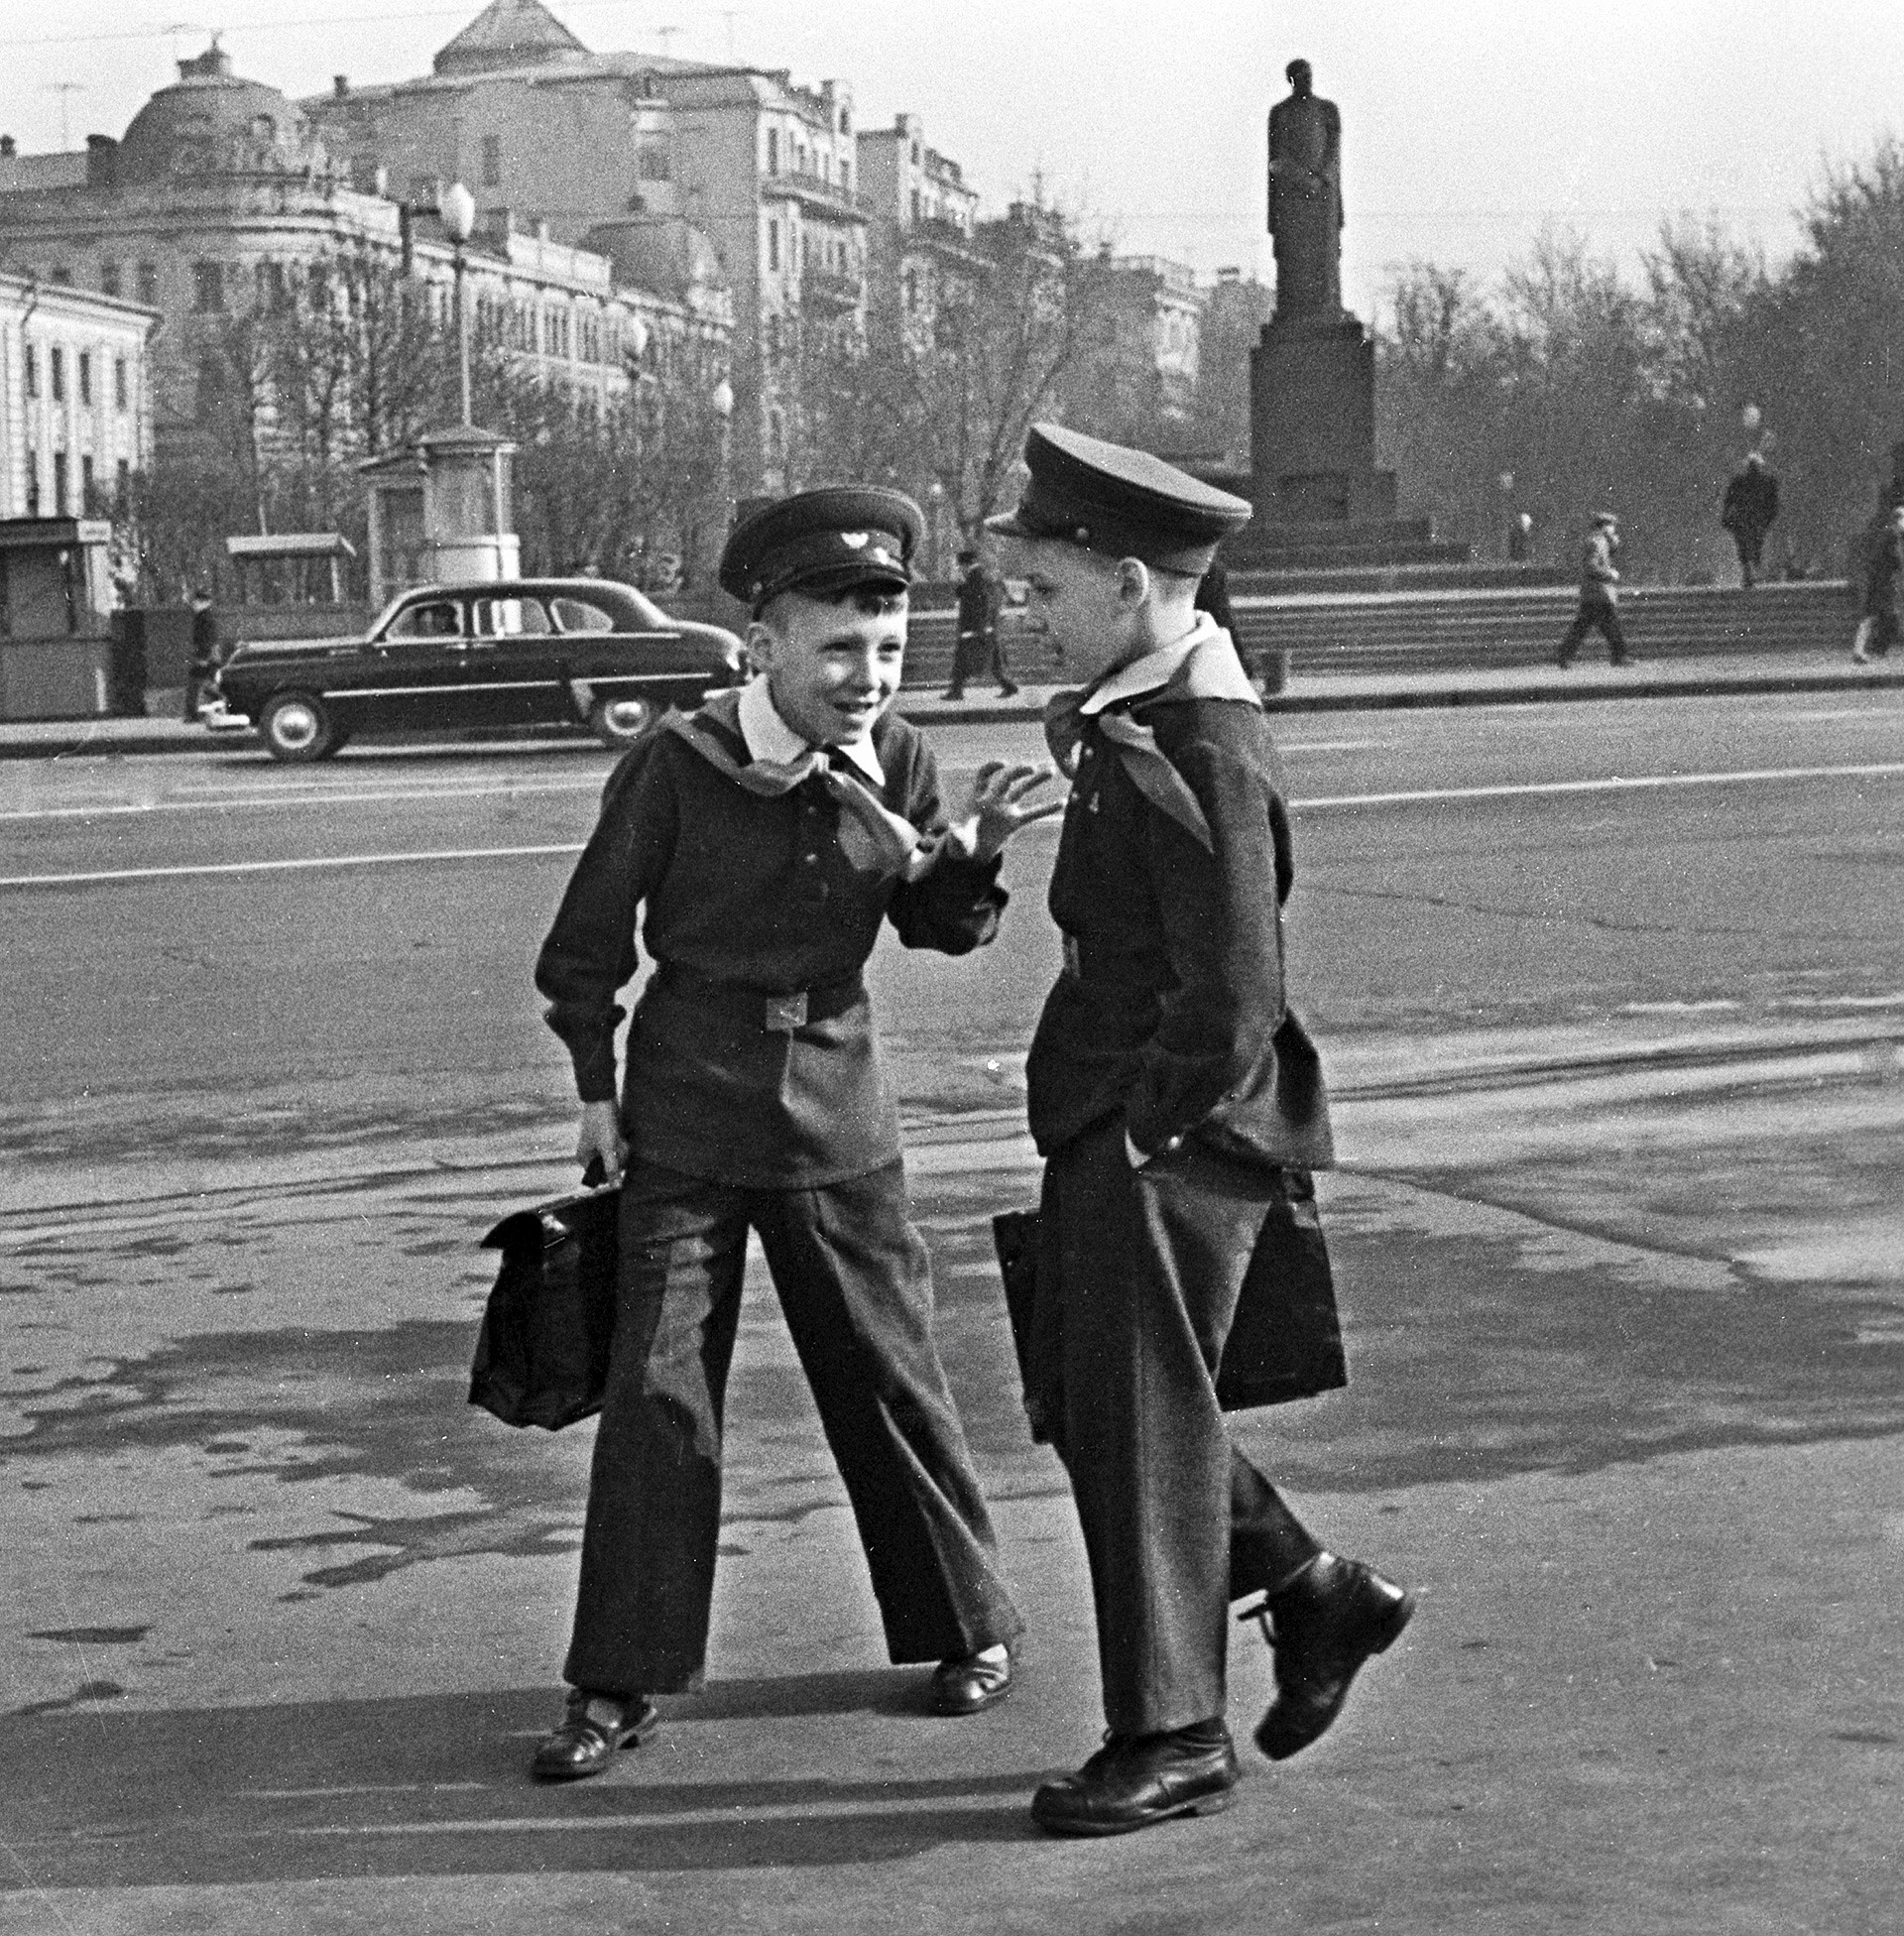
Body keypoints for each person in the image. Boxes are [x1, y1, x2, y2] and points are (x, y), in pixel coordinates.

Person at [529, 487, 1057, 1782]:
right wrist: (596, 1091)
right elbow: (585, 950)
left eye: (889, 649)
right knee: (657, 1395)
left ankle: (964, 1626)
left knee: (888, 1374)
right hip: (689, 1109)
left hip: (837, 1109)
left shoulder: (904, 761)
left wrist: (963, 859)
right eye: (839, 650)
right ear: (760, 647)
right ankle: (618, 1680)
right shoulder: (674, 763)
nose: (869, 678)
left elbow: (936, 933)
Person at [988, 424, 1413, 1837]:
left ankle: (1173, 1732)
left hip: (1168, 1131)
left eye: (1046, 587)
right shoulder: (1144, 713)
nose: (1027, 613)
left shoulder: (1200, 743)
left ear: (1126, 581)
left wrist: (1147, 1135)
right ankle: (1309, 1589)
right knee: (1099, 1403)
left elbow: (1236, 990)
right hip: (1121, 1113)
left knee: (1144, 1422)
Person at [1556, 512, 1631, 667]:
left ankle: (1564, 656)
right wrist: (1609, 574)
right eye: (1611, 526)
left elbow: (1609, 554)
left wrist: (1613, 542)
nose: (1613, 529)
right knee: (1608, 626)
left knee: (1586, 626)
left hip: (1596, 593)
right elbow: (1591, 566)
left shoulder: (1601, 541)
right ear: (1603, 526)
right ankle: (1620, 656)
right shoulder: (1595, 542)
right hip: (1598, 592)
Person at [942, 544, 1016, 699]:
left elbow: (982, 603)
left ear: (964, 564)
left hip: (975, 628)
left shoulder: (975, 577)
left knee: (963, 659)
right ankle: (1008, 686)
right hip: (986, 627)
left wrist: (977, 628)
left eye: (959, 566)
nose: (959, 569)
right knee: (993, 661)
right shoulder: (979, 576)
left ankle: (956, 691)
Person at [1851, 503, 1904, 664]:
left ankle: (1864, 650)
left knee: (1874, 617)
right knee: (1876, 616)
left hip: (1880, 582)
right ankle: (1867, 650)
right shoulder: (1890, 536)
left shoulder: (1891, 535)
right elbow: (1889, 560)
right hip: (1880, 583)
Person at [1721, 453, 1780, 589]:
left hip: (1747, 519)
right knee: (1752, 545)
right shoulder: (1766, 482)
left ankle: (1750, 571)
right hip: (1753, 519)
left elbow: (1728, 501)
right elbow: (1773, 504)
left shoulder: (1741, 481)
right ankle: (1750, 571)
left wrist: (1726, 516)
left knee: (1747, 546)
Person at [183, 588, 220, 721]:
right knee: (210, 685)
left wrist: (203, 657)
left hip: (205, 656)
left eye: (196, 601)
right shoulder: (205, 616)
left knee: (196, 684)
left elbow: (207, 639)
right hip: (209, 656)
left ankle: (192, 714)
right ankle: (214, 711)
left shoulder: (204, 618)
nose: (194, 604)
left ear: (203, 602)